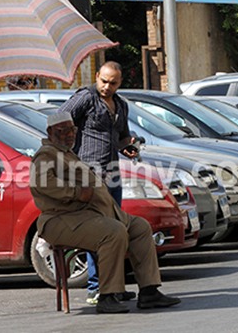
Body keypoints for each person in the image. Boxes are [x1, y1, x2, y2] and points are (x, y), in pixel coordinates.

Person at [30, 112, 181, 314]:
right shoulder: (46, 154)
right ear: (50, 132)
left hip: (88, 215)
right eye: (62, 131)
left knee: (140, 227)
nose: (68, 135)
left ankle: (149, 290)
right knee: (113, 232)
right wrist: (75, 192)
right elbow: (41, 183)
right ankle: (107, 295)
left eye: (72, 130)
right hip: (62, 219)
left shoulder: (66, 152)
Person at [58, 61, 138, 304]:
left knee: (117, 230)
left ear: (119, 83)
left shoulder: (121, 105)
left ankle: (113, 286)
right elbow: (59, 120)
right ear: (97, 77)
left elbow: (122, 137)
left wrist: (129, 147)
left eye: (112, 83)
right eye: (103, 81)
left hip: (111, 174)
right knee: (98, 230)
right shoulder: (86, 97)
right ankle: (96, 287)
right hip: (89, 175)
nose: (106, 86)